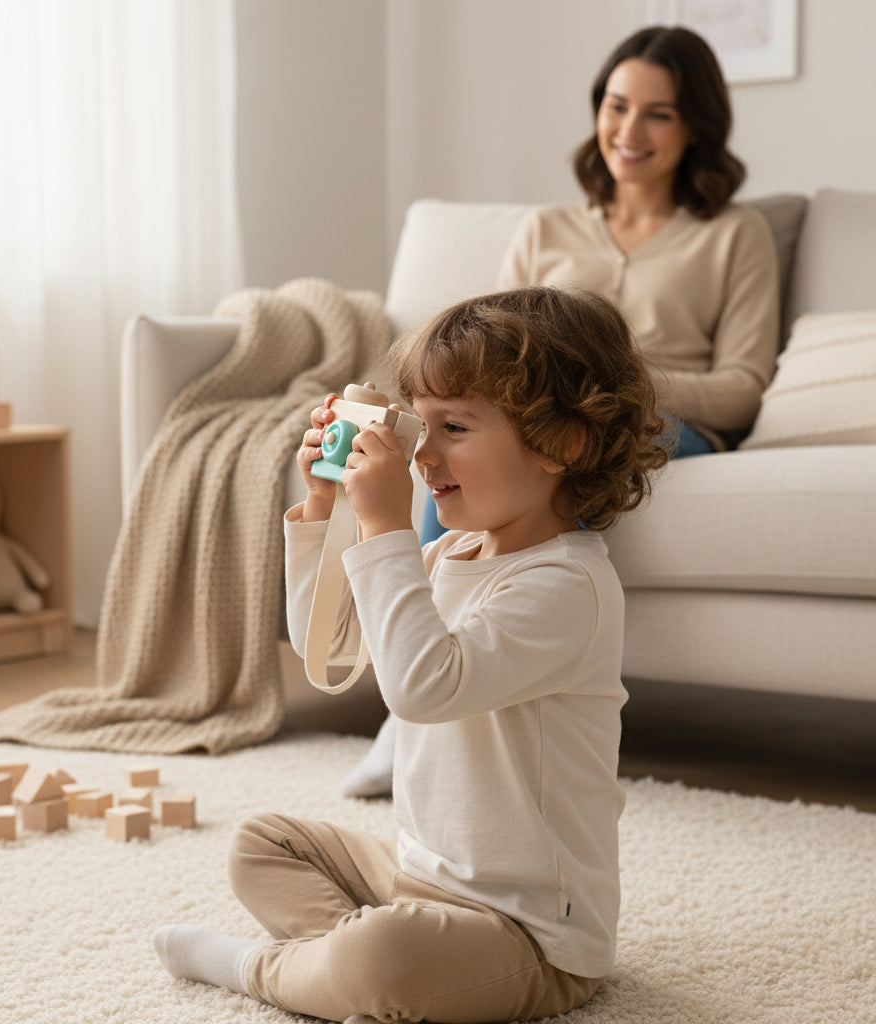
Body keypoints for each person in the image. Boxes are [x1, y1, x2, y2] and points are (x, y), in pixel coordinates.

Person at [152, 285, 669, 1023]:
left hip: (531, 934)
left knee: (382, 956)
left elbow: (425, 687)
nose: (423, 456)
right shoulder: (447, 552)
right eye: (416, 428)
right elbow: (326, 654)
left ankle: (267, 969)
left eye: (454, 426)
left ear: (563, 444)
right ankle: (356, 972)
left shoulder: (567, 586)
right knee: (261, 845)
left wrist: (390, 525)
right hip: (420, 877)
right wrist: (328, 512)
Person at [344, 22, 781, 799]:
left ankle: (421, 689)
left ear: (697, 128)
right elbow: (493, 355)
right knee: (461, 447)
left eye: (659, 113)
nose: (629, 130)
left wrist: (611, 383)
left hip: (667, 423)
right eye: (617, 106)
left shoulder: (734, 235)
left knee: (527, 436)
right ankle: (424, 670)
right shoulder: (545, 228)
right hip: (543, 405)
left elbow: (744, 384)